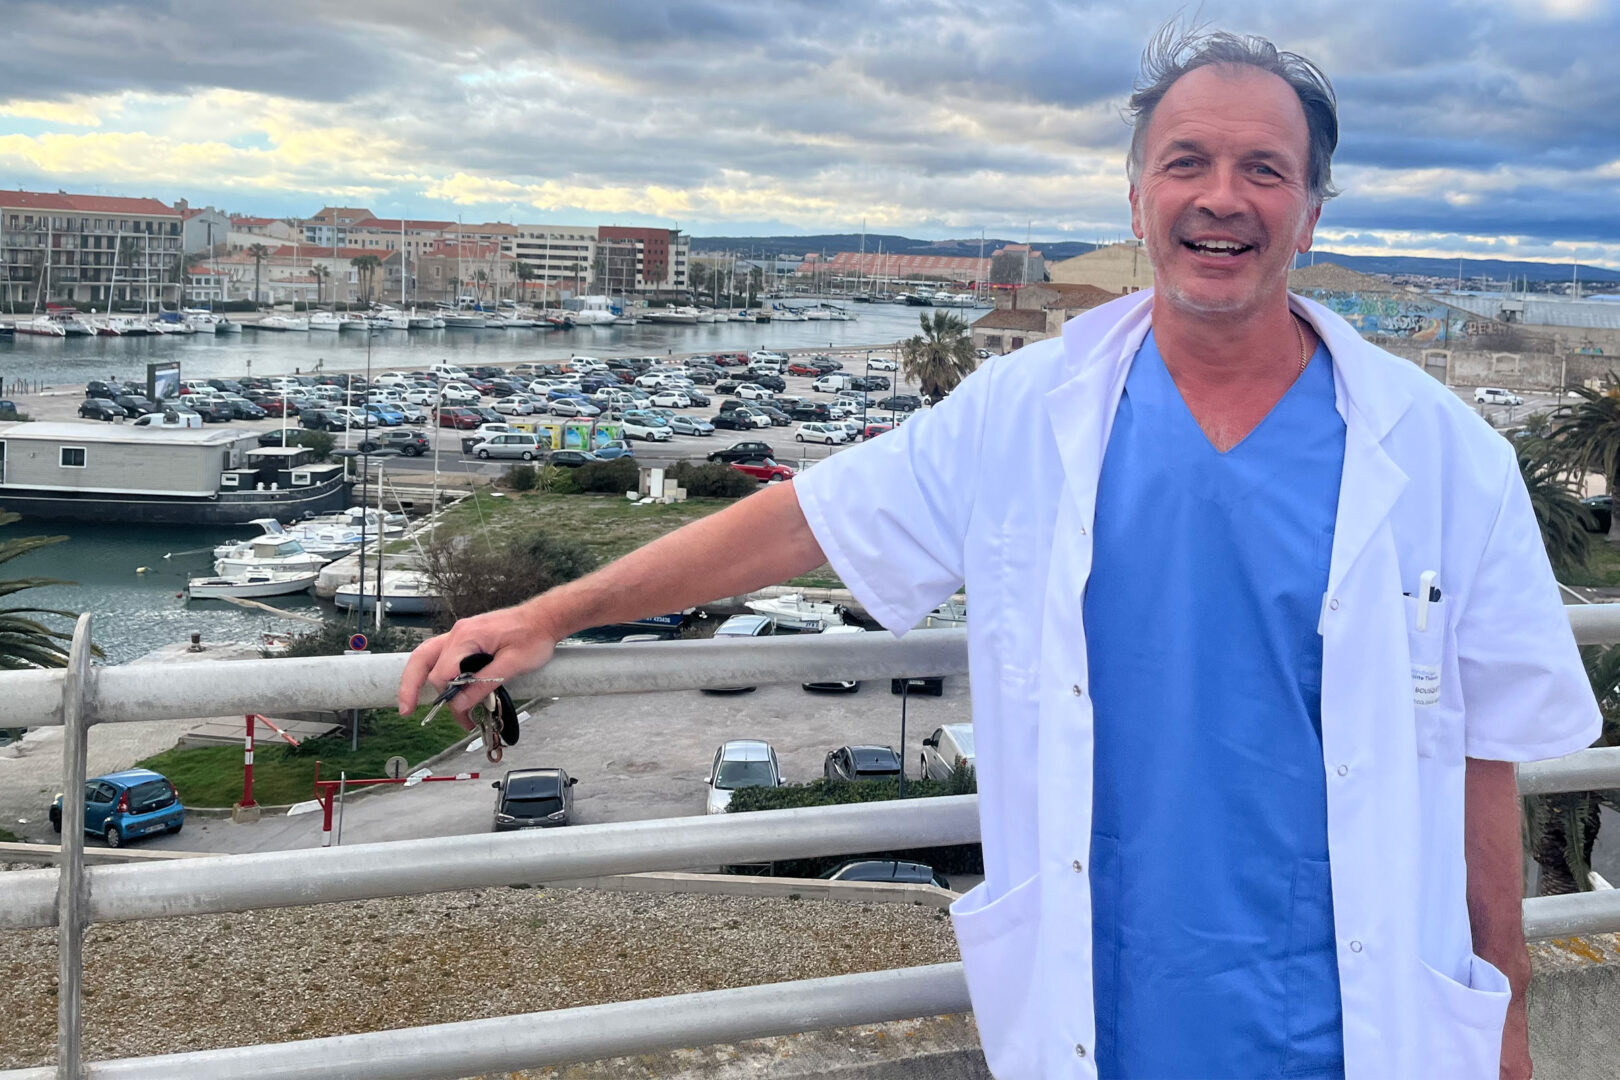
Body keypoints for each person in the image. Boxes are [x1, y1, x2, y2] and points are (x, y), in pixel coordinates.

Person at [399, 25, 1598, 1080]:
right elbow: (805, 517)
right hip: (1110, 1005)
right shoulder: (1027, 412)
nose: (1220, 197)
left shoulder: (1444, 455)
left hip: (1360, 1025)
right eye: (1186, 162)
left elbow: (1484, 757)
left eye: (1263, 170)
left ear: (1314, 208)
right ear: (1137, 199)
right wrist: (561, 610)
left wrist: (1502, 1007)